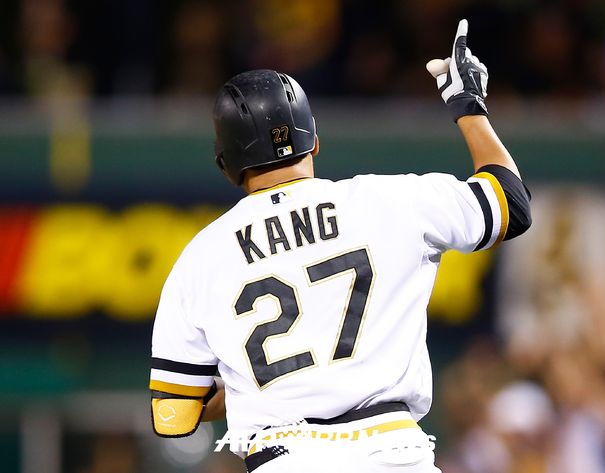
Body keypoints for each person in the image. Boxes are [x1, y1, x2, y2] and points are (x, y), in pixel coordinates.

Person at [149, 19, 532, 473]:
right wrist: (468, 105)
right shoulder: (389, 200)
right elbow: (510, 204)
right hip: (394, 455)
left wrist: (252, 383)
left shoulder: (201, 256)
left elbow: (174, 416)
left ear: (225, 162)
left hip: (284, 460)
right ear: (313, 140)